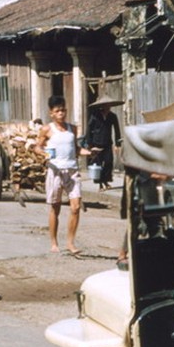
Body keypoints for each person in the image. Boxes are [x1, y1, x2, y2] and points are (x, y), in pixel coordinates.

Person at [35, 95, 92, 257]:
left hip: (72, 171)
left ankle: (70, 242)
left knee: (75, 207)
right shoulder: (47, 129)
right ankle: (54, 242)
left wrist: (88, 152)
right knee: (55, 207)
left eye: (63, 110)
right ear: (51, 113)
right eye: (57, 111)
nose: (61, 113)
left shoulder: (72, 129)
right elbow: (37, 147)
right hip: (55, 171)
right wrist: (44, 153)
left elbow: (76, 149)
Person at [84, 100, 122, 189]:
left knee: (109, 162)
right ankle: (100, 183)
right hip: (96, 143)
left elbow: (117, 130)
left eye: (109, 106)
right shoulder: (95, 115)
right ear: (102, 106)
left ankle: (106, 181)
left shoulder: (113, 116)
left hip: (108, 143)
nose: (108, 108)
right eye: (106, 106)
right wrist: (90, 144)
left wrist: (117, 144)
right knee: (98, 164)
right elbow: (89, 129)